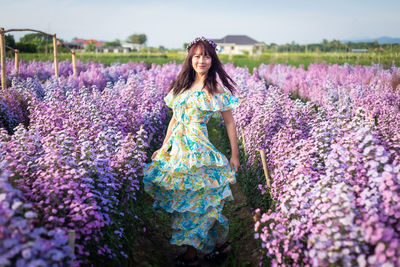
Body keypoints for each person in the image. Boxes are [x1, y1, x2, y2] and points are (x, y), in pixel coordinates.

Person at [143, 36, 240, 267]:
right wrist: (164, 146)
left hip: (198, 150)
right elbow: (175, 120)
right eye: (197, 56)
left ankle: (205, 249)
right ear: (190, 59)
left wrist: (235, 155)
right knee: (182, 199)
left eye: (206, 55)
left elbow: (229, 123)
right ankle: (199, 250)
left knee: (202, 200)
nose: (201, 60)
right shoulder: (181, 86)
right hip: (178, 149)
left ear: (212, 59)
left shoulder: (215, 88)